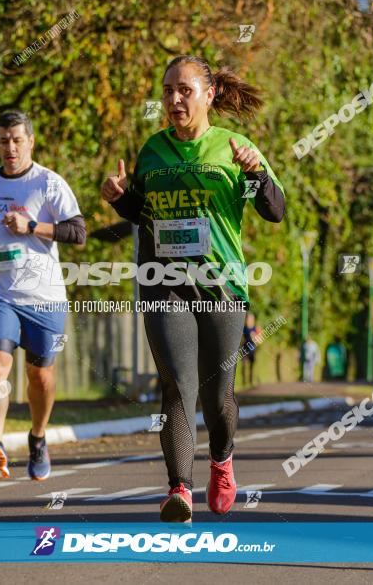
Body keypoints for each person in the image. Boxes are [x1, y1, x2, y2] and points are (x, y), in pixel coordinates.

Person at [102, 55, 285, 522]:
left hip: (221, 285)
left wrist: (257, 175)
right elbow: (142, 212)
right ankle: (178, 489)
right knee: (176, 386)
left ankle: (221, 462)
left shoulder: (235, 146)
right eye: (167, 90)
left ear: (209, 95)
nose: (174, 99)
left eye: (184, 89)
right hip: (164, 282)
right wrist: (121, 197)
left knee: (217, 395)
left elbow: (275, 210)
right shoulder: (153, 150)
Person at [0, 110, 86, 482]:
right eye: (3, 140)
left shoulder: (48, 184)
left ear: (30, 142)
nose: (10, 147)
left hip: (43, 296)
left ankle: (37, 437)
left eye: (18, 140)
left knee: (40, 376)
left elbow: (78, 233)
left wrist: (32, 226)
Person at [241, 313, 262, 386]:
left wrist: (255, 337)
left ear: (253, 319)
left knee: (251, 366)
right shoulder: (243, 328)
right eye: (247, 318)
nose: (248, 320)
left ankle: (251, 381)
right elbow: (241, 339)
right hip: (244, 349)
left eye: (250, 318)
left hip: (252, 349)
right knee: (244, 364)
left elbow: (260, 340)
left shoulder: (256, 328)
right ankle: (244, 381)